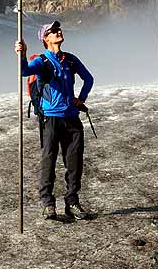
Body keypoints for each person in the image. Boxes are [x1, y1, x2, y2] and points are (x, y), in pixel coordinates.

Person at [15, 20, 94, 221]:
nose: (58, 32)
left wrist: (81, 99)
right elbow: (24, 71)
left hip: (72, 118)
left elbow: (89, 78)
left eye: (58, 29)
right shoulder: (42, 61)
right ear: (46, 38)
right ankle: (48, 204)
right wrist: (22, 54)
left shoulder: (70, 59)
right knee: (49, 160)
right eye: (53, 31)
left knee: (74, 162)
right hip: (50, 118)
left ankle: (72, 202)